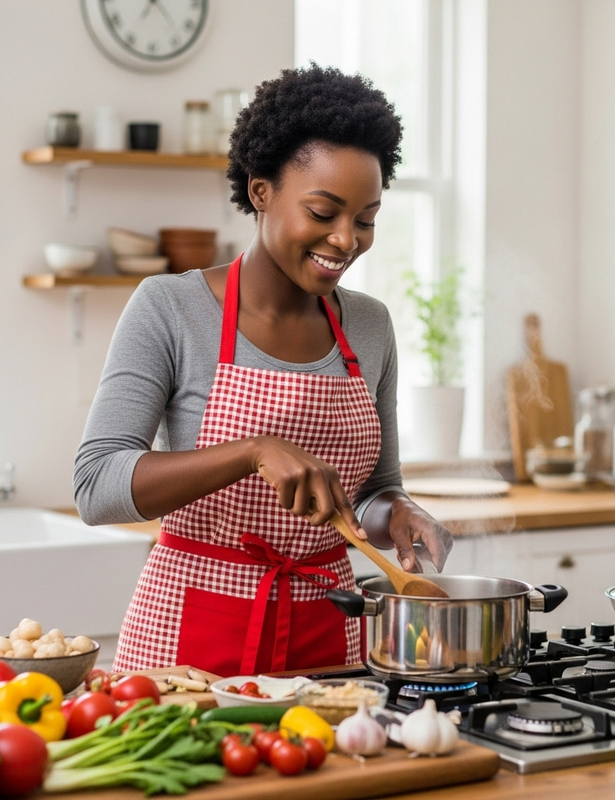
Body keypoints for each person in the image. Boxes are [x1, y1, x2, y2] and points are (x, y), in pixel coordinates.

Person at [73, 63, 453, 676]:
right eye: (323, 212)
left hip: (333, 636)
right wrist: (251, 451)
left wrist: (402, 514)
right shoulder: (170, 307)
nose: (346, 239)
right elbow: (97, 487)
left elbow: (376, 492)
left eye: (365, 219)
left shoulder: (369, 326)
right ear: (260, 192)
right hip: (190, 643)